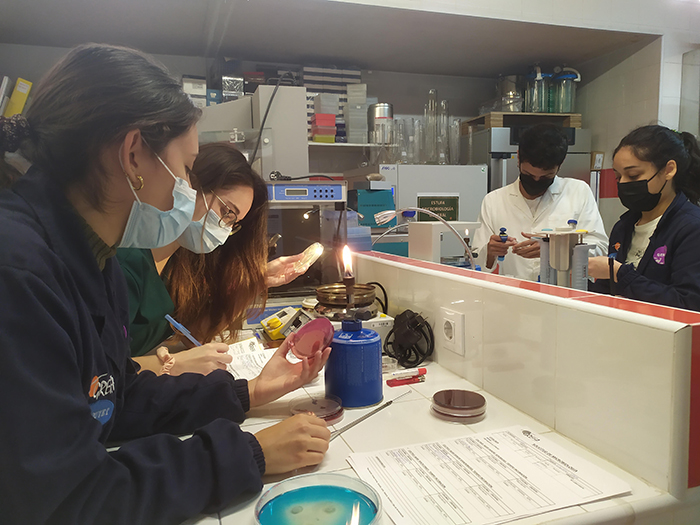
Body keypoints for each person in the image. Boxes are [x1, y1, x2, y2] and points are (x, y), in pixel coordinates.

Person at [0, 43, 330, 524]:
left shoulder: (92, 259)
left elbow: (115, 397)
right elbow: (69, 497)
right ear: (133, 153)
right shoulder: (19, 271)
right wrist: (249, 455)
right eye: (187, 169)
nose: (188, 192)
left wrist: (248, 393)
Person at [118, 141, 311, 375]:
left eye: (233, 223)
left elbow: (195, 336)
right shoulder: (126, 263)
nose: (224, 229)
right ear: (191, 185)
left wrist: (258, 281)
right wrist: (172, 365)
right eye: (226, 212)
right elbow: (93, 375)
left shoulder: (177, 264)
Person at [472, 123, 608, 281]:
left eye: (545, 177)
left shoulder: (578, 192)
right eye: (528, 175)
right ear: (518, 159)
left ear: (560, 165)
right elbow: (476, 261)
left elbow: (600, 249)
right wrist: (490, 251)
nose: (536, 181)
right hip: (512, 298)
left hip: (563, 297)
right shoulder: (494, 200)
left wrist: (555, 250)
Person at [588, 125, 700, 311]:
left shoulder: (691, 228)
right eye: (618, 177)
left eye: (633, 175)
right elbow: (606, 292)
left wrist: (619, 273)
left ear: (668, 170)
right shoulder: (623, 227)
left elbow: (688, 303)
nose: (623, 184)